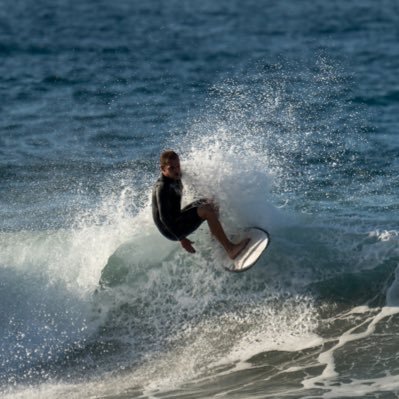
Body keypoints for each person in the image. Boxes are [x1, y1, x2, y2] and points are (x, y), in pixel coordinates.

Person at [152, 150, 249, 259]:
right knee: (207, 210)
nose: (177, 171)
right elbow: (164, 218)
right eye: (171, 168)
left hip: (177, 217)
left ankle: (218, 241)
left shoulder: (175, 175)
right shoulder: (163, 188)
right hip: (171, 229)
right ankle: (230, 249)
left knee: (211, 202)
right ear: (163, 169)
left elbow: (194, 178)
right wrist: (182, 239)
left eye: (178, 166)